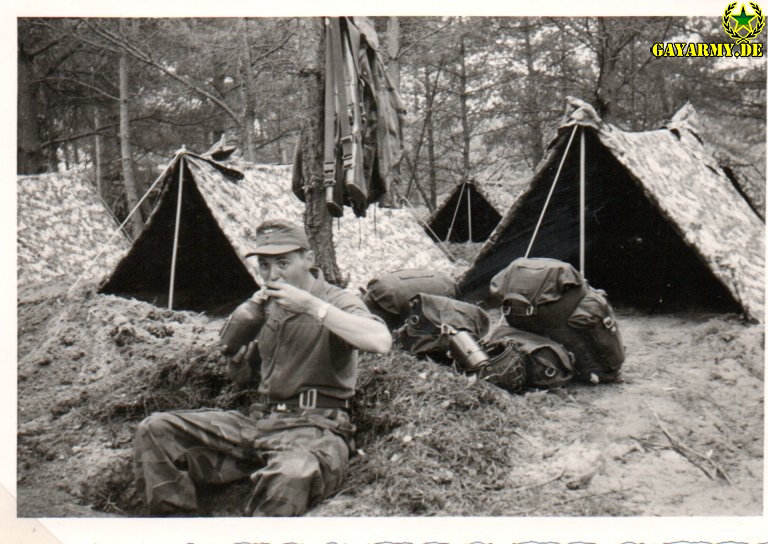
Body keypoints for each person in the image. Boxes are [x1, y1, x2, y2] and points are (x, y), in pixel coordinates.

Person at [133, 218, 392, 516]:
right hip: (261, 422)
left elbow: (380, 341)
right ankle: (176, 527)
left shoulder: (336, 300)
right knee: (156, 429)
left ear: (308, 259)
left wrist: (311, 306)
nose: (273, 274)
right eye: (265, 266)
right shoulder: (266, 306)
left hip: (315, 428)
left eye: (283, 263)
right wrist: (237, 365)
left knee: (292, 473)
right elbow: (245, 377)